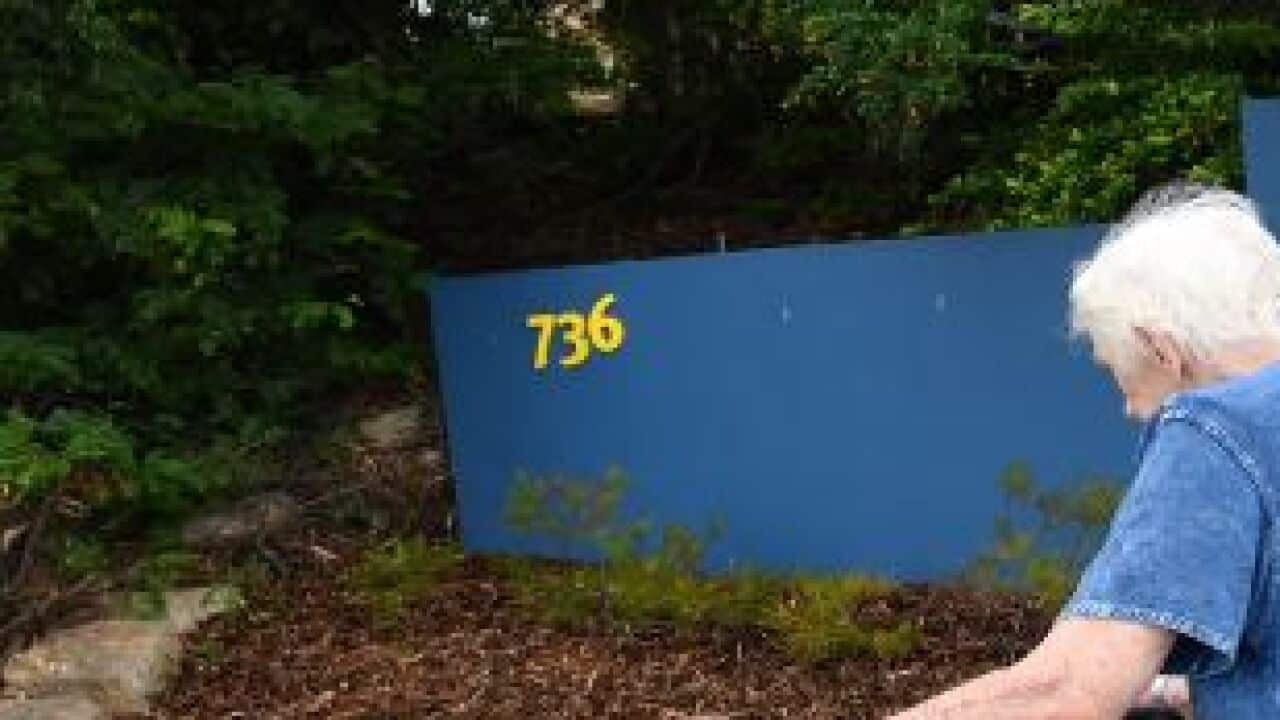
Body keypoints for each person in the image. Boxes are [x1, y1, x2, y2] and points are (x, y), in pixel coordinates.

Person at [887, 184, 1280, 719]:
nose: (1130, 410)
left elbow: (1068, 694)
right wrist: (1175, 692)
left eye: (1116, 373)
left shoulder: (1214, 428)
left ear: (1160, 348)